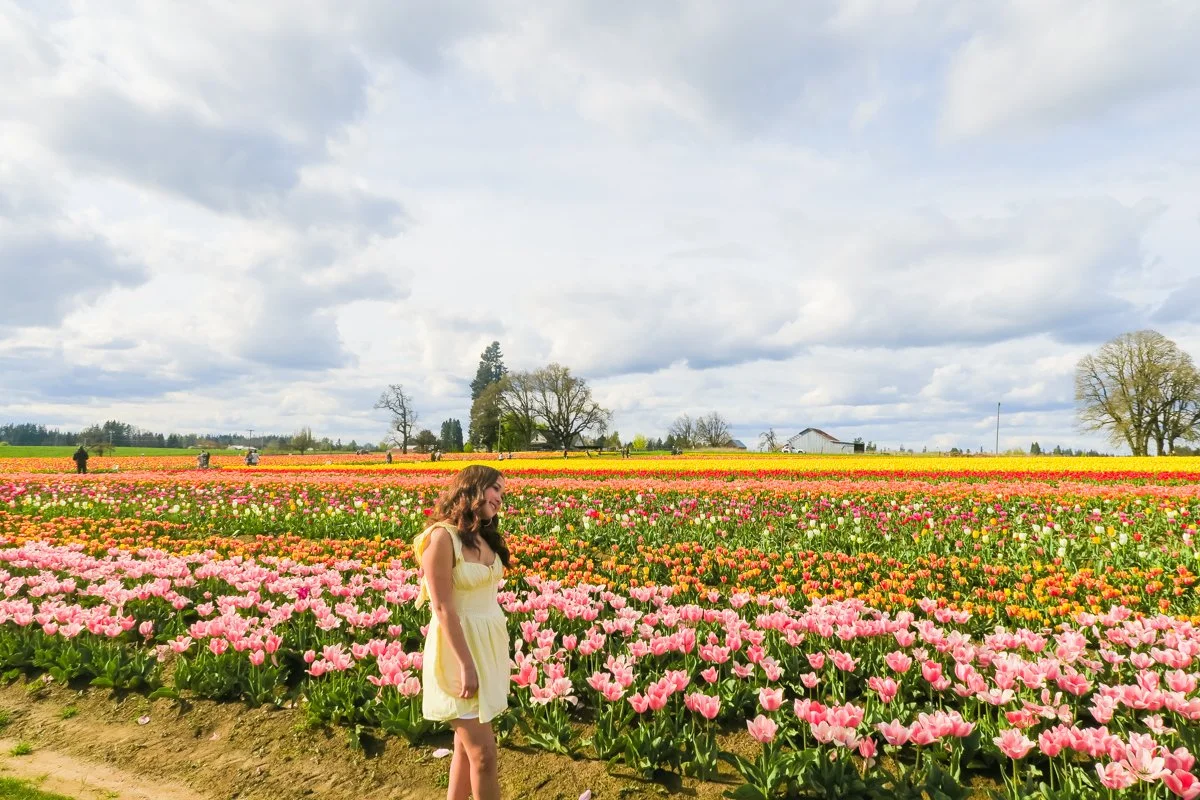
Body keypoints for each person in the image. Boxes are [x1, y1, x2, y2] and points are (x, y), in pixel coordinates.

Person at [413, 465, 510, 800]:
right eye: (495, 489)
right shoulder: (441, 538)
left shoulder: (484, 535)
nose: (500, 498)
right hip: (458, 652)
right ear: (473, 488)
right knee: (484, 755)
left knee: (464, 749)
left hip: (488, 647)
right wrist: (466, 663)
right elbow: (442, 608)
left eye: (502, 492)